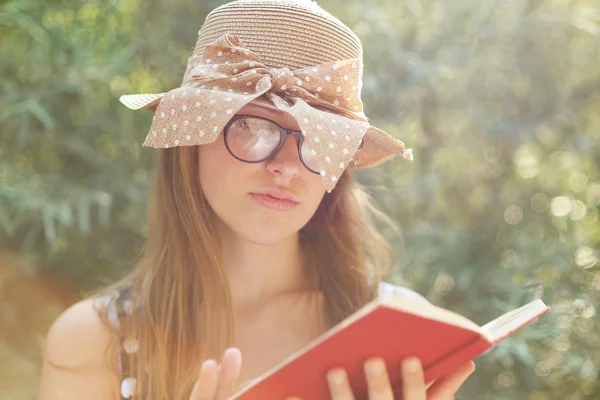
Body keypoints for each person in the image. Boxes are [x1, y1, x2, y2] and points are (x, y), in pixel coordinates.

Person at [39, 0, 475, 399]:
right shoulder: (92, 341)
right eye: (254, 127)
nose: (286, 166)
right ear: (191, 140)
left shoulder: (401, 332)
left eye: (316, 138)